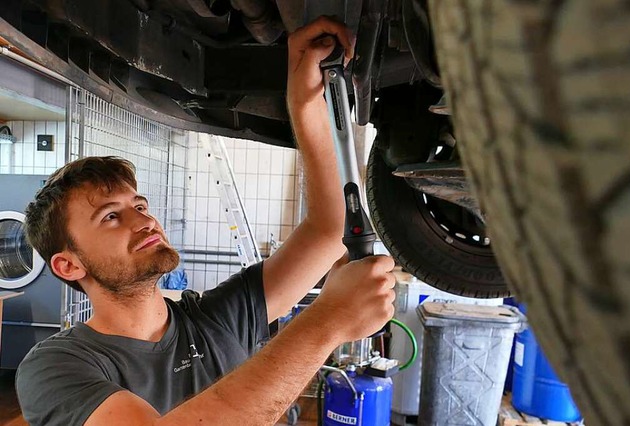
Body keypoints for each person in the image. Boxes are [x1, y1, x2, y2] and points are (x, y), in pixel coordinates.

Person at [15, 17, 396, 426]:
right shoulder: (55, 367)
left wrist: (304, 105)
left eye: (140, 206)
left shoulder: (218, 317)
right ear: (69, 265)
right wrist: (326, 322)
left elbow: (327, 231)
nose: (143, 221)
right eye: (111, 216)